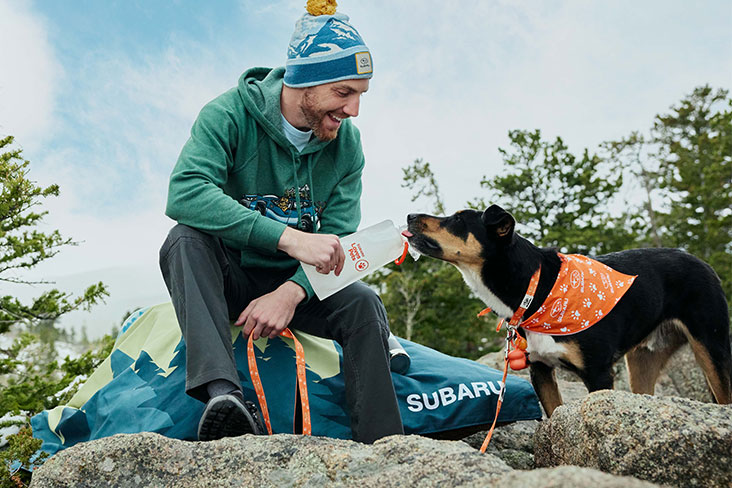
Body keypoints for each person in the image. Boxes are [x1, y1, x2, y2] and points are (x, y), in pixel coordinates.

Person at [158, 0, 404, 444]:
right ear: (305, 81)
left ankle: (383, 444)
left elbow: (342, 236)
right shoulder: (228, 114)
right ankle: (223, 397)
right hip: (229, 275)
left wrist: (290, 294)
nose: (354, 110)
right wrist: (289, 238)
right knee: (184, 239)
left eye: (361, 95)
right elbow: (186, 192)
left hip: (298, 284)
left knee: (363, 302)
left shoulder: (347, 146)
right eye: (344, 93)